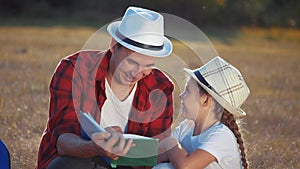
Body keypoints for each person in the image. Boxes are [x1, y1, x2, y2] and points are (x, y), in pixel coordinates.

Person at [36, 6, 174, 169]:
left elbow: (157, 152)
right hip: (78, 161)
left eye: (148, 66)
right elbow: (63, 141)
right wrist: (93, 148)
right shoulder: (74, 70)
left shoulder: (161, 87)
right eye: (131, 62)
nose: (137, 73)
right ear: (114, 45)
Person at [154, 56, 250, 169]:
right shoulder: (186, 127)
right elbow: (156, 157)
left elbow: (186, 167)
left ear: (205, 100)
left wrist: (170, 143)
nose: (181, 96)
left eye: (187, 91)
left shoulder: (222, 135)